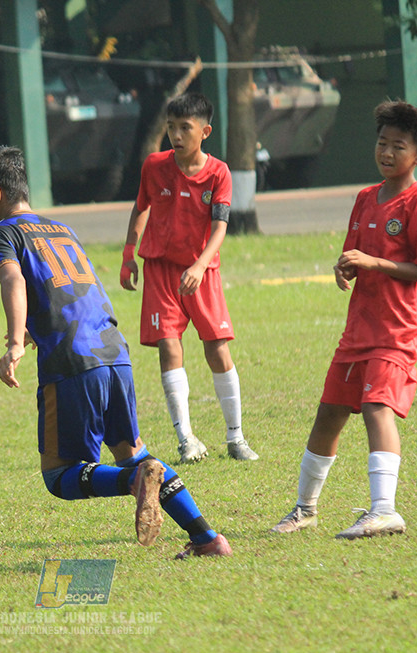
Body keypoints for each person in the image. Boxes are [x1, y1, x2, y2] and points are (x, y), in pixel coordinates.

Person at [0, 144, 231, 559]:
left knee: (60, 475)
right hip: (113, 352)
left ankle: (134, 484)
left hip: (71, 363)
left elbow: (15, 282)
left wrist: (16, 341)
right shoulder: (60, 229)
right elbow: (69, 289)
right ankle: (207, 538)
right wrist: (37, 325)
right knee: (133, 453)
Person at [270, 101, 417, 539]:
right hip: (359, 328)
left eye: (397, 146)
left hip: (396, 329)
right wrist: (346, 265)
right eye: (382, 143)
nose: (386, 152)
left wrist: (375, 262)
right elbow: (356, 253)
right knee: (329, 413)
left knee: (375, 408)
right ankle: (304, 509)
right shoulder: (366, 198)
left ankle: (384, 509)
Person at [120, 91, 257, 465]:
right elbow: (141, 206)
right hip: (161, 271)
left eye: (185, 128)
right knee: (169, 345)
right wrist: (128, 255)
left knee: (217, 347)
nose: (176, 136)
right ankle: (186, 438)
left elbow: (220, 227)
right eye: (171, 128)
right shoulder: (154, 165)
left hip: (202, 272)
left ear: (205, 131)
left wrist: (199, 265)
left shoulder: (219, 173)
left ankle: (235, 437)